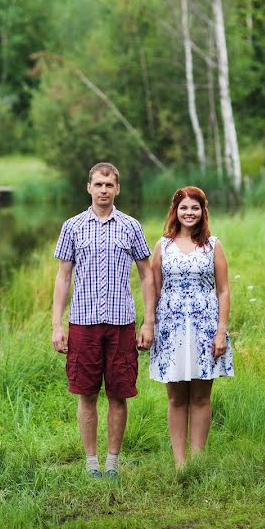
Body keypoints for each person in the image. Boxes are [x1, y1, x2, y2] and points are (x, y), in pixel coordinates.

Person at [52, 162, 155, 479]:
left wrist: (148, 321)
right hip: (83, 322)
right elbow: (63, 277)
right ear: (89, 188)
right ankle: (91, 463)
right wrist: (57, 324)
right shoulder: (72, 226)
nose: (104, 190)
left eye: (109, 185)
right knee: (86, 393)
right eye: (98, 184)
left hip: (122, 322)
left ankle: (112, 462)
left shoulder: (131, 226)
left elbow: (147, 274)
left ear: (117, 189)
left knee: (119, 393)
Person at [149, 186, 233, 469]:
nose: (189, 213)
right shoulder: (163, 245)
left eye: (194, 208)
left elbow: (223, 290)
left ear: (203, 211)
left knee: (200, 395)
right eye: (184, 208)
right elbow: (155, 290)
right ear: (175, 211)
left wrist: (221, 330)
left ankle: (198, 459)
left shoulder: (213, 245)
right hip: (171, 329)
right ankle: (179, 463)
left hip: (205, 327)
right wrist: (151, 325)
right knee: (176, 398)